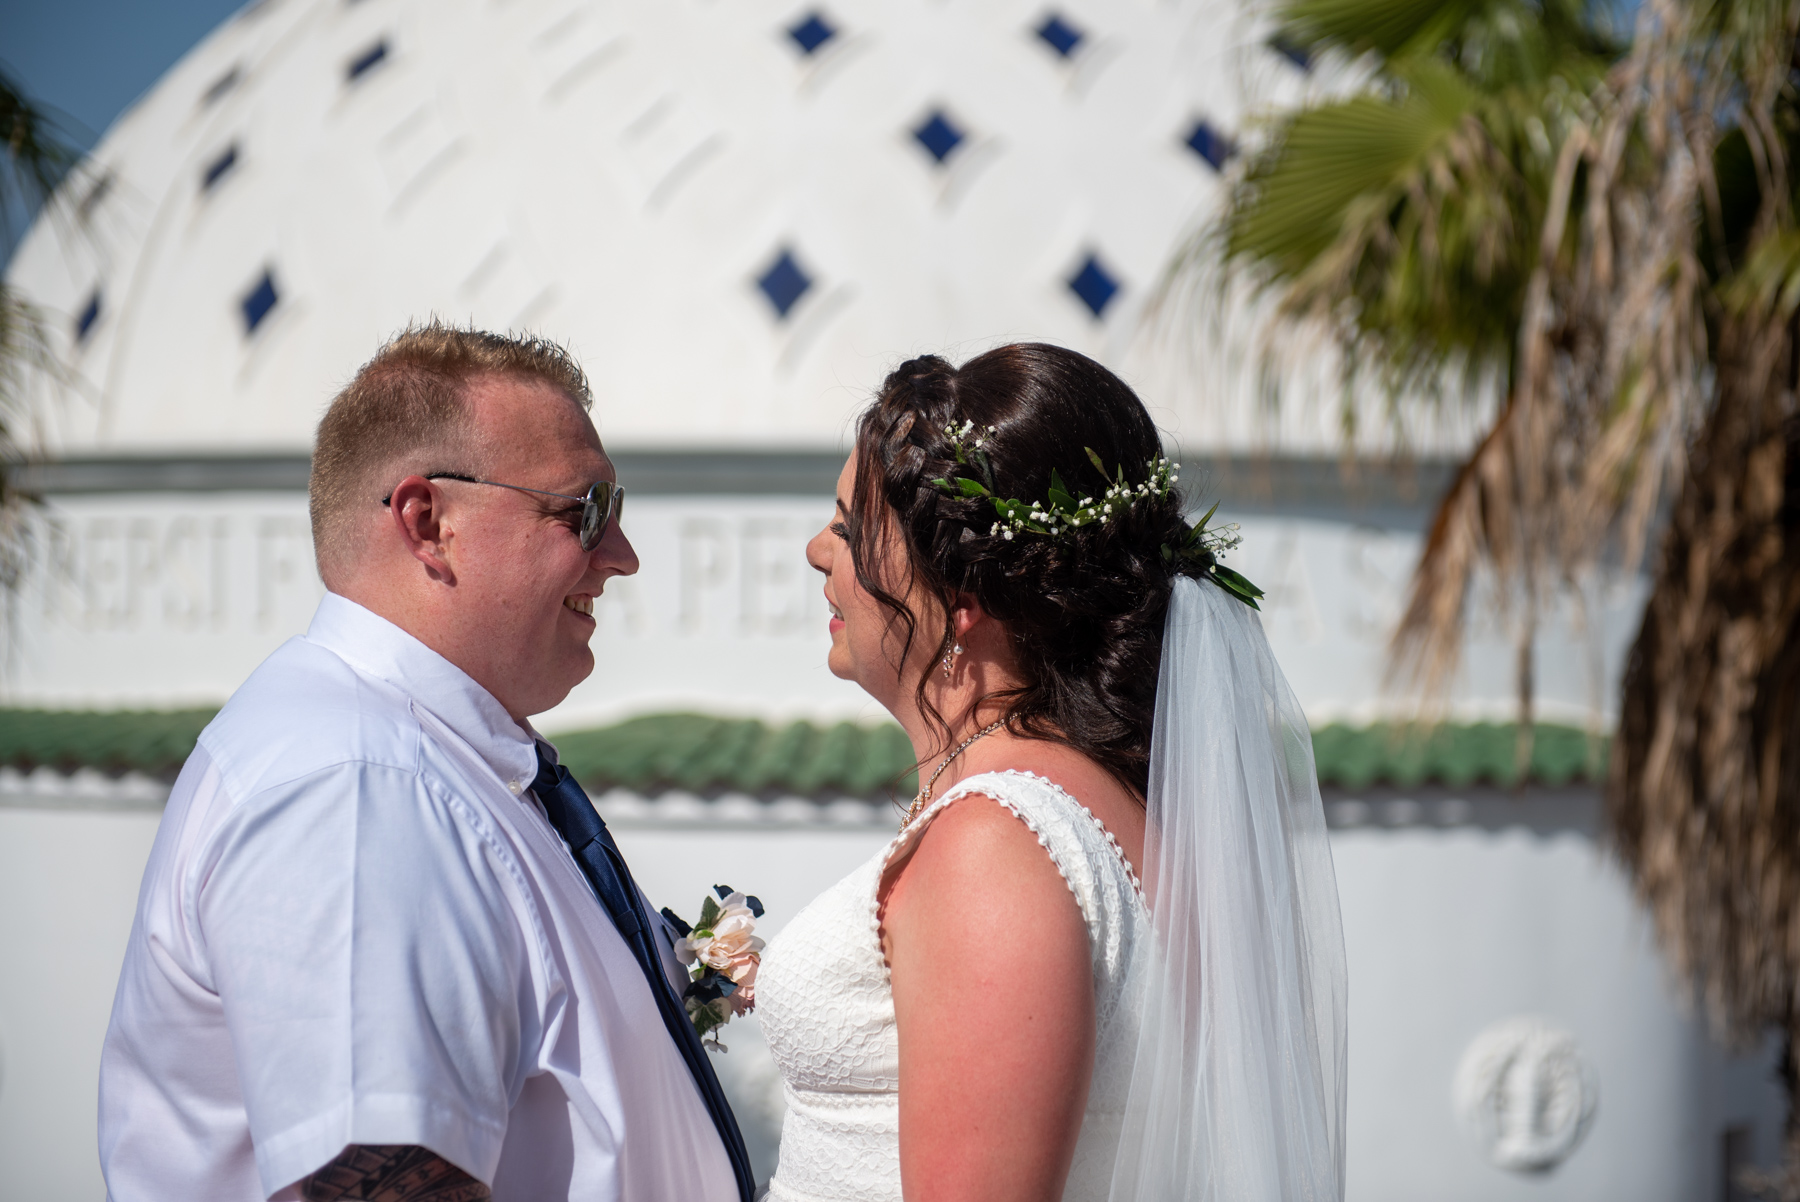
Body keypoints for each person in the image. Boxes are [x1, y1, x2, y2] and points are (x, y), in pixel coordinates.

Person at [97, 324, 754, 1202]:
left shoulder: (421, 765)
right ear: (428, 523)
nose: (622, 557)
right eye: (584, 512)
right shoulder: (359, 787)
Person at [757, 344, 1348, 1201]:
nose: (818, 551)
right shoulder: (1116, 808)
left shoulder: (992, 848)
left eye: (850, 530)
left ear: (962, 602)